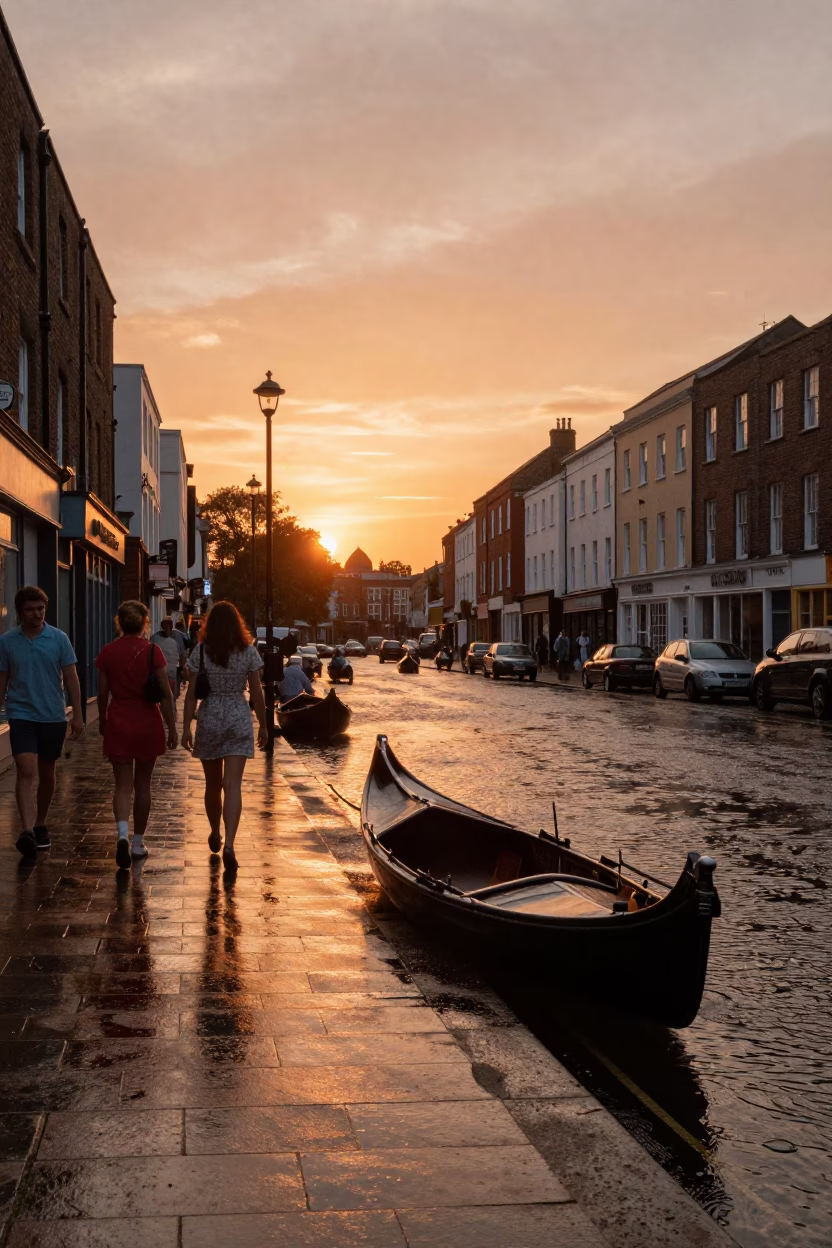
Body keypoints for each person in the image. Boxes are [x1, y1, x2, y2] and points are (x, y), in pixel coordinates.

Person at [0, 586, 84, 857]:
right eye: (30, 610)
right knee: (25, 769)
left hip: (52, 715)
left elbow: (71, 677)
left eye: (40, 609)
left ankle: (40, 824)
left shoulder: (59, 639)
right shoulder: (7, 641)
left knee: (47, 773)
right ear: (20, 612)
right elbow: (2, 679)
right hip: (21, 714)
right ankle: (26, 830)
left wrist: (78, 716)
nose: (36, 614)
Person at [182, 601, 267, 869]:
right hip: (237, 716)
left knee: (212, 785)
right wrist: (264, 724)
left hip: (209, 717)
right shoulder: (248, 652)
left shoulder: (201, 651)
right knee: (233, 785)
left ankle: (215, 832)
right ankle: (230, 843)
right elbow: (256, 693)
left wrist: (186, 727)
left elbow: (191, 694)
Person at [96, 600, 178, 867]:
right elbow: (165, 694)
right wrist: (173, 726)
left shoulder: (108, 652)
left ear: (119, 622)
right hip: (147, 721)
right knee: (143, 785)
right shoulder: (154, 652)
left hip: (119, 719)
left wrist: (103, 719)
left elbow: (102, 692)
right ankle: (138, 842)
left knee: (122, 785)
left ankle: (121, 834)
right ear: (145, 622)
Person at [151, 617, 182, 701]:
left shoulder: (154, 638)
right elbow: (181, 655)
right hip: (166, 672)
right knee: (170, 698)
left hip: (165, 672)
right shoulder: (175, 639)